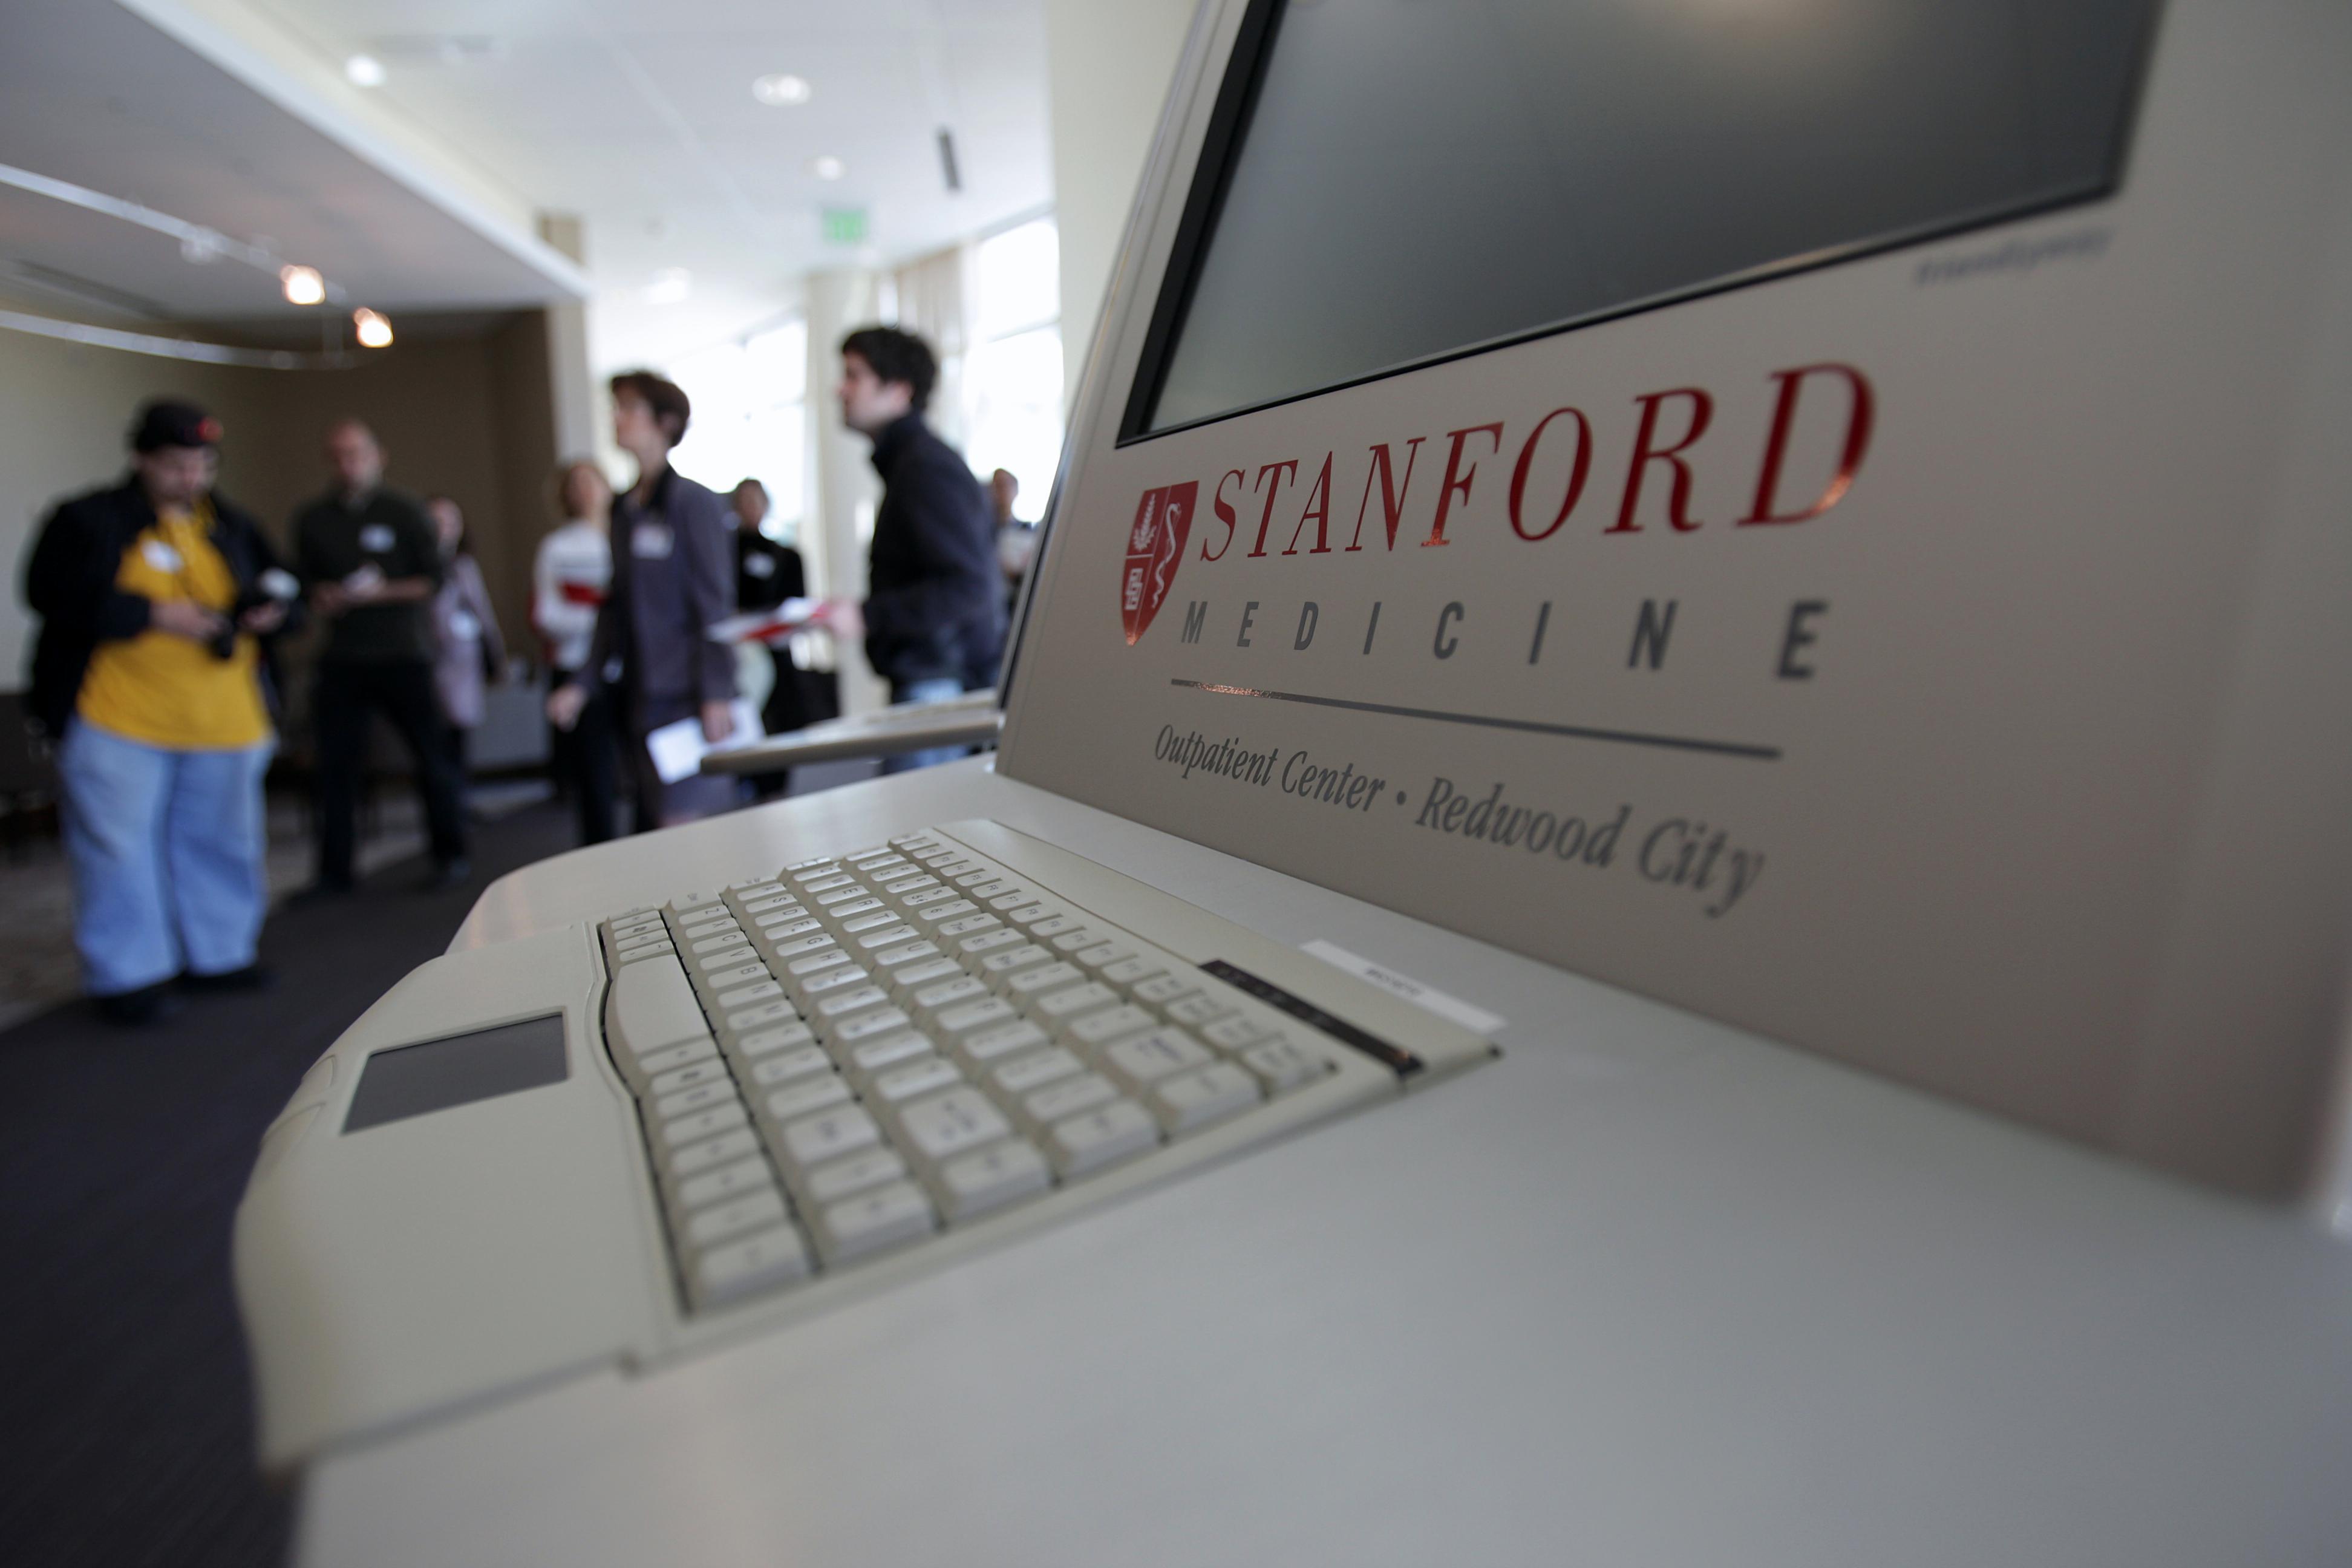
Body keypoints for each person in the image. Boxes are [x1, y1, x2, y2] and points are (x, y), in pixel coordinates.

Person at [21, 400, 295, 1022]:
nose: (190, 478)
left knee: (221, 840)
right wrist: (150, 613)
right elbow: (48, 593)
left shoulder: (230, 524)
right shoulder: (88, 519)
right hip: (119, 715)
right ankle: (130, 975)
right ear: (142, 459)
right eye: (175, 465)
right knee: (119, 848)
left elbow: (285, 590)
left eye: (201, 465)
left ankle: (220, 955)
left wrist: (269, 613)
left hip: (222, 717)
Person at [546, 371, 737, 828]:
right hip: (640, 694)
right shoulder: (625, 509)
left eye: (629, 408)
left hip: (687, 697)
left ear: (664, 423)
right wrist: (582, 681)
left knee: (686, 824)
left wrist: (717, 693)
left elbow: (715, 606)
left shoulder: (694, 503)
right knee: (652, 824)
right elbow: (615, 607)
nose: (617, 418)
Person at [816, 325, 1005, 772]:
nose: (839, 389)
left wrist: (867, 615)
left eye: (854, 376)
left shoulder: (924, 467)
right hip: (936, 681)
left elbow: (968, 587)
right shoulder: (913, 463)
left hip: (940, 686)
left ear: (899, 390)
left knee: (918, 829)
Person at [292, 420, 470, 892]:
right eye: (340, 455)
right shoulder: (315, 518)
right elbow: (302, 585)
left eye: (358, 452)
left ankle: (451, 853)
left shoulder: (405, 510)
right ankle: (335, 872)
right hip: (345, 657)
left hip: (403, 653)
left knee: (432, 757)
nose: (350, 463)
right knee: (336, 767)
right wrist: (322, 596)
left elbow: (433, 580)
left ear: (378, 455)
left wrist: (377, 593)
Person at [534, 460, 618, 844]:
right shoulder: (557, 546)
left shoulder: (624, 536)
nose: (585, 491)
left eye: (592, 482)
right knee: (594, 773)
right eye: (576, 484)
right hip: (577, 666)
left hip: (628, 668)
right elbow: (546, 613)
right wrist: (602, 617)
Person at [729, 478, 811, 800]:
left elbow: (797, 605)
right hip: (741, 654)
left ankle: (779, 787)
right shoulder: (725, 553)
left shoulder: (786, 555)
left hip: (777, 651)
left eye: (756, 500)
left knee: (781, 723)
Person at [425, 495, 506, 778]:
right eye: (436, 522)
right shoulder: (417, 567)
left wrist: (496, 656)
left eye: (451, 521)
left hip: (462, 662)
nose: (444, 529)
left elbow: (484, 615)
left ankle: (458, 802)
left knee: (458, 737)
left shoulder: (465, 567)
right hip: (429, 660)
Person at [991, 466, 1040, 618]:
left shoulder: (1029, 533)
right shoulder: (980, 531)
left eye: (1006, 485)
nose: (1001, 492)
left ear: (1016, 490)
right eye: (997, 486)